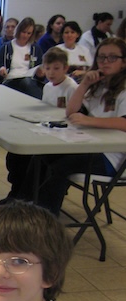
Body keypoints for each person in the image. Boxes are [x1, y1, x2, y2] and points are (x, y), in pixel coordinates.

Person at [30, 38, 126, 216]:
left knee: (60, 167)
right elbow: (71, 111)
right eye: (102, 57)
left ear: (123, 62)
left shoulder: (123, 89)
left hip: (111, 156)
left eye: (112, 58)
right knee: (41, 156)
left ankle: (45, 218)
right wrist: (84, 85)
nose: (105, 62)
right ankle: (25, 203)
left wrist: (89, 121)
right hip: (88, 144)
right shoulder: (98, 84)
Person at [2, 48, 78, 204]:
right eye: (47, 68)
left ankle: (24, 196)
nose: (51, 73)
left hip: (63, 134)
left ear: (65, 68)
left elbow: (72, 115)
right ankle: (17, 189)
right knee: (15, 153)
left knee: (35, 158)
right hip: (47, 129)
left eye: (56, 68)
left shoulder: (71, 87)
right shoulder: (48, 86)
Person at [0, 17, 44, 99]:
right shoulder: (6, 47)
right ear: (18, 31)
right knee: (27, 83)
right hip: (11, 79)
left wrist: (41, 73)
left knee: (30, 83)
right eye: (23, 32)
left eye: (29, 33)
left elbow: (39, 67)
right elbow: (0, 65)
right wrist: (2, 69)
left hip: (30, 78)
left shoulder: (35, 49)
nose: (25, 35)